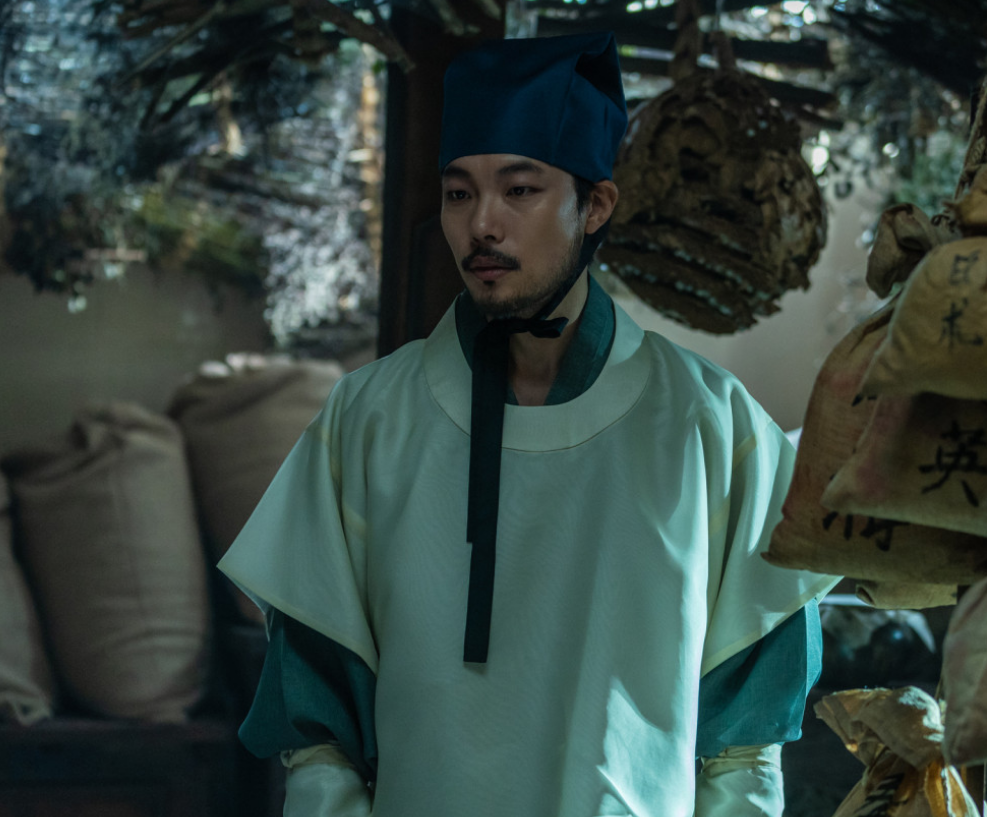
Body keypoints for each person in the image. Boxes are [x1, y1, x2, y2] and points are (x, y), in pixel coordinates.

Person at [219, 31, 838, 817]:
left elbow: (745, 749)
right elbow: (319, 740)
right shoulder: (369, 419)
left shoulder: (710, 426)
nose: (483, 224)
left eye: (519, 189)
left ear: (596, 205)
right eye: (458, 193)